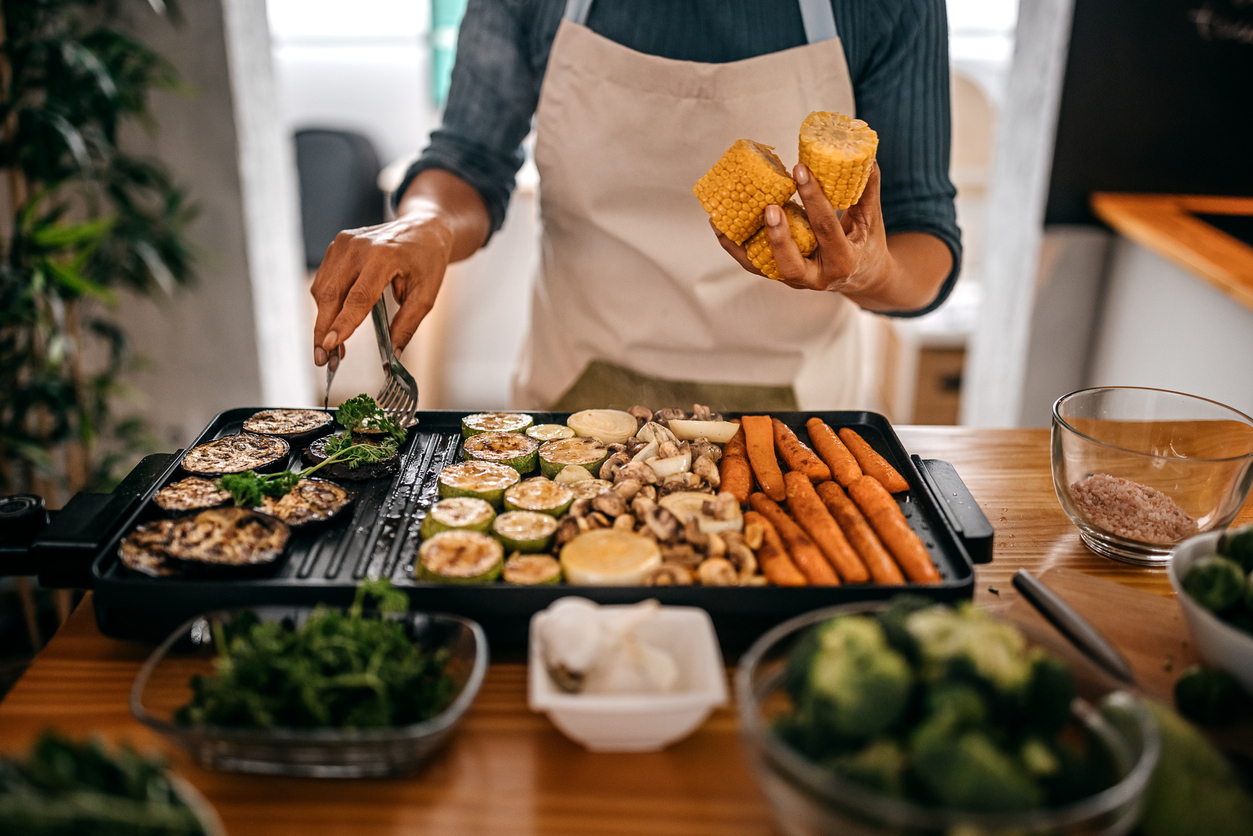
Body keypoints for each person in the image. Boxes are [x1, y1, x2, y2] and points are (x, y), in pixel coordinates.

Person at [311, 0, 959, 412]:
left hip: (799, 418)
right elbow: (468, 159)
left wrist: (868, 270)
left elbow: (922, 237)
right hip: (571, 401)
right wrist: (425, 222)